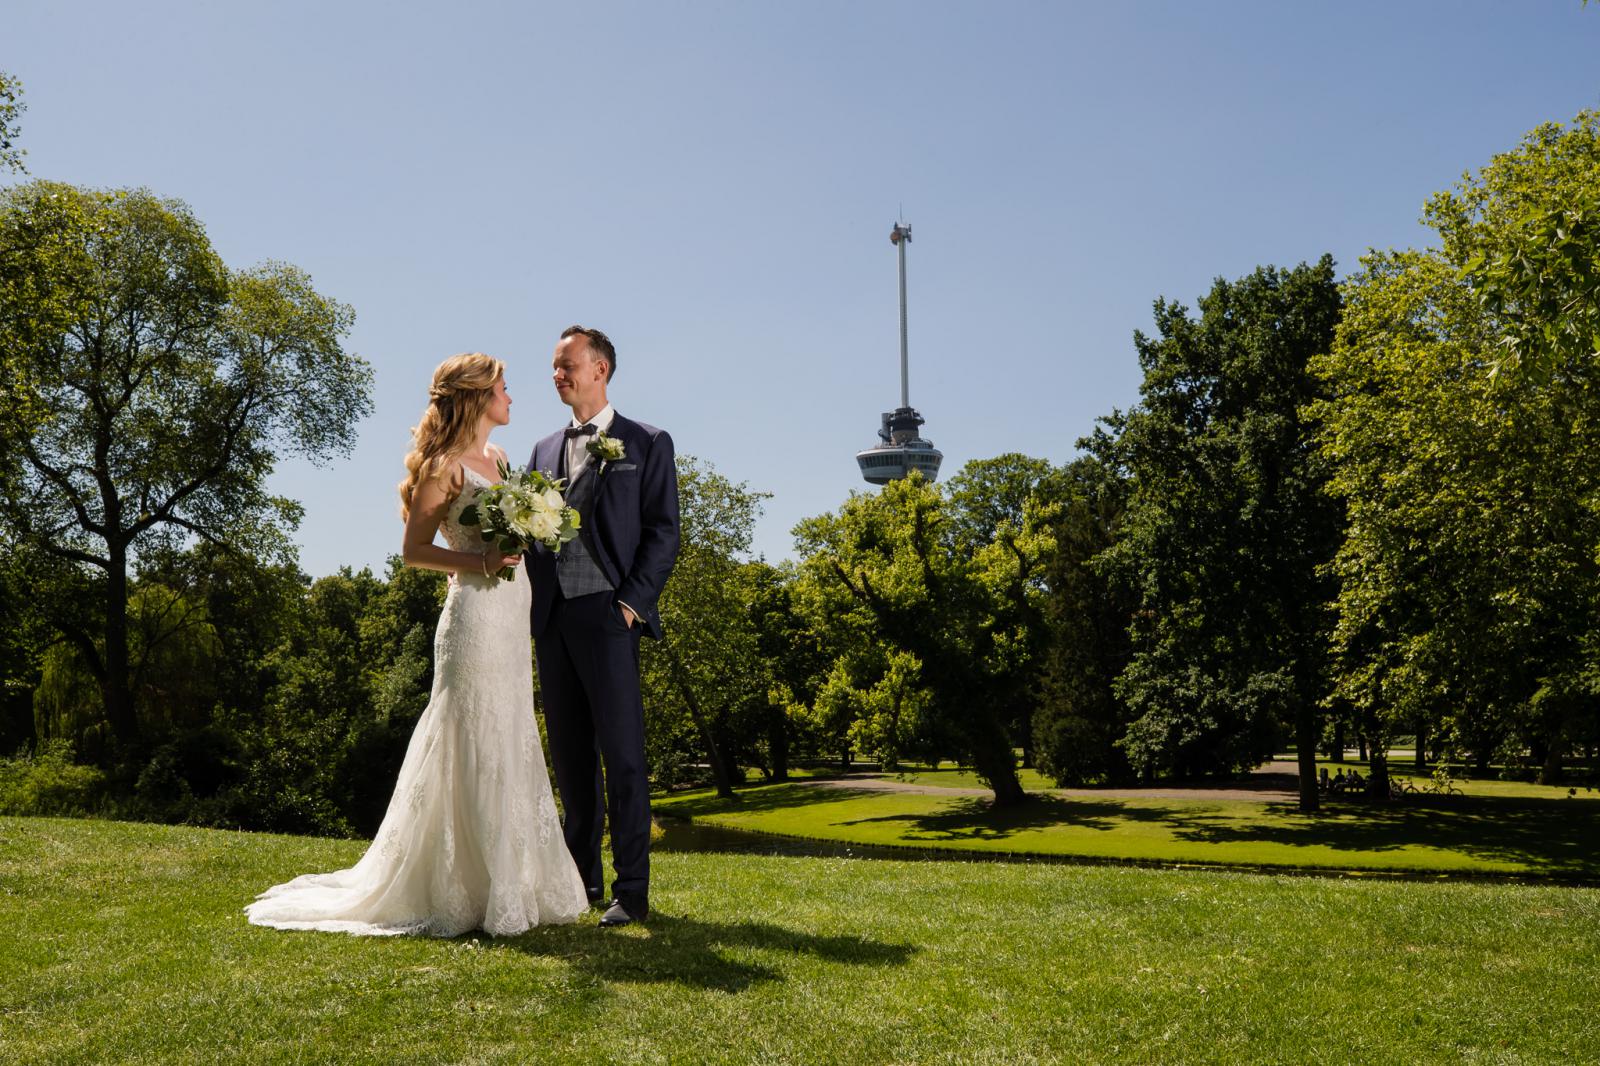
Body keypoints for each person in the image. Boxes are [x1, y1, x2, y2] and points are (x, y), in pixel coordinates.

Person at [244, 353, 588, 937]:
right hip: (474, 618)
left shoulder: (501, 459)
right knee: (470, 730)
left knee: (509, 728)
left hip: (512, 612)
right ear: (477, 397)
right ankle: (459, 886)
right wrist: (477, 559)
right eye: (504, 388)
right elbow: (414, 551)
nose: (512, 397)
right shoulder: (443, 466)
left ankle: (509, 883)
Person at [527, 326, 679, 928]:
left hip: (610, 617)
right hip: (554, 620)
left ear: (601, 369)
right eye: (554, 367)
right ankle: (579, 882)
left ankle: (631, 891)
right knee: (570, 760)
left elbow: (663, 532)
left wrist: (630, 606)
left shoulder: (648, 441)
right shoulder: (540, 452)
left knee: (623, 759)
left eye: (567, 365)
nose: (558, 375)